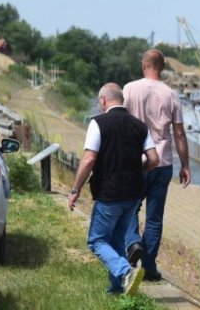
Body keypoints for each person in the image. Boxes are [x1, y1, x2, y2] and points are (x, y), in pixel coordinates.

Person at [68, 83, 158, 295]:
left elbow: (89, 159)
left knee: (97, 241)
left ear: (103, 100)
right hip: (134, 194)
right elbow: (154, 159)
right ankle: (118, 288)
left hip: (109, 194)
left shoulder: (98, 123)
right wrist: (139, 170)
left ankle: (126, 272)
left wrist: (75, 189)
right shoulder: (140, 125)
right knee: (118, 239)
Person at [123, 49, 191, 282]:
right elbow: (179, 134)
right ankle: (149, 267)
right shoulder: (171, 94)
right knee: (154, 218)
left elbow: (121, 123)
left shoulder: (129, 89)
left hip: (134, 161)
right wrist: (185, 165)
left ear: (144, 65)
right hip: (162, 163)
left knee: (130, 208)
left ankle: (132, 243)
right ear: (162, 67)